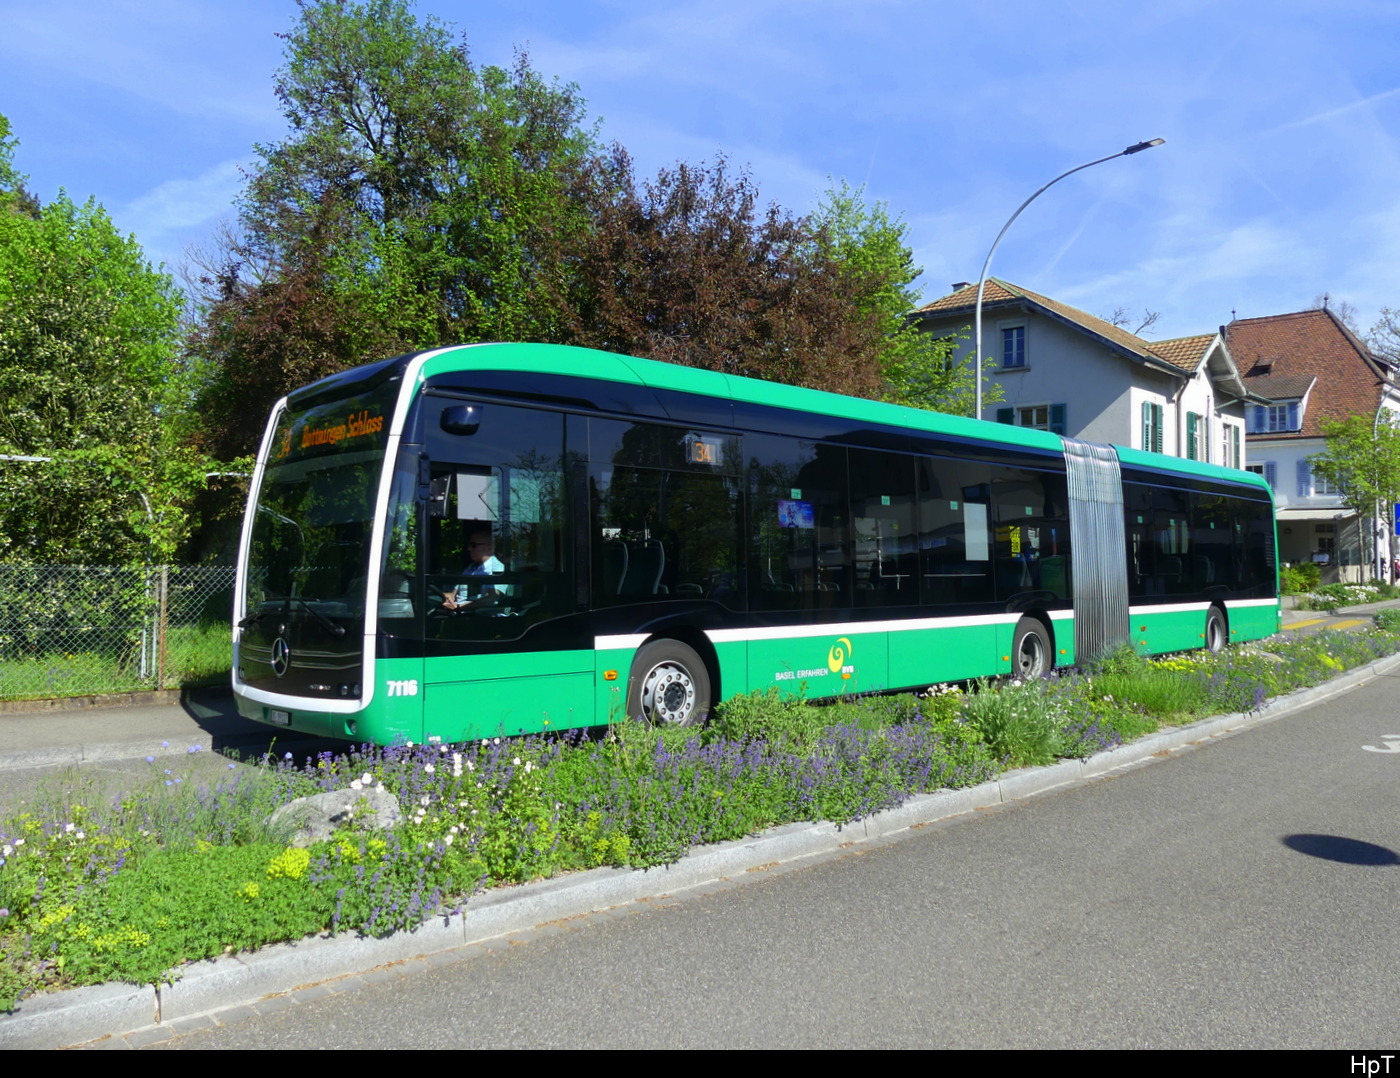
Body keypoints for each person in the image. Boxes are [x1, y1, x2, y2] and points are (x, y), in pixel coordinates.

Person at [442, 530, 509, 613]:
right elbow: (454, 594)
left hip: (478, 617)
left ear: (490, 547)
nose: (469, 549)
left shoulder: (497, 568)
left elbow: (491, 599)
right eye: (469, 545)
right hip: (457, 612)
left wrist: (459, 607)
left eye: (473, 545)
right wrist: (447, 597)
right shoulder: (471, 568)